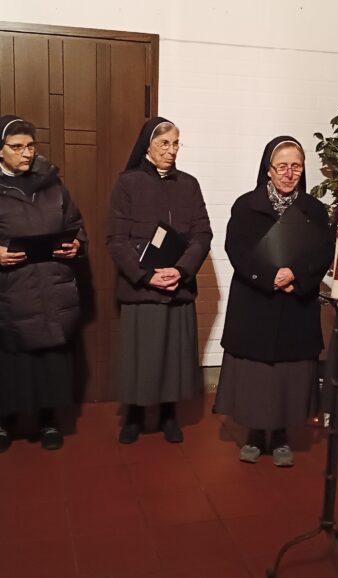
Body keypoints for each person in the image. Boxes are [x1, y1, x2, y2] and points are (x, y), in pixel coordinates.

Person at [0, 115, 86, 453]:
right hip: (9, 291)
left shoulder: (51, 183)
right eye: (17, 147)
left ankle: (49, 420)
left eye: (30, 146)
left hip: (51, 288)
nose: (27, 153)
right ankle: (5, 422)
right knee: (11, 365)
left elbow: (76, 224)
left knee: (50, 362)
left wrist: (77, 244)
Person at [214, 136, 333, 467]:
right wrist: (270, 277)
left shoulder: (314, 209)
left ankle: (281, 435)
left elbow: (324, 251)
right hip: (256, 302)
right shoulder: (245, 205)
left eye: (296, 166)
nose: (289, 173)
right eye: (282, 166)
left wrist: (296, 275)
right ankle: (254, 433)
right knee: (257, 375)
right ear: (268, 170)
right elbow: (236, 250)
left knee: (286, 375)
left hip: (296, 301)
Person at [107, 117, 212, 444]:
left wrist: (181, 270)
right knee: (142, 356)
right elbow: (116, 239)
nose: (172, 150)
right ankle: (135, 416)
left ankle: (169, 414)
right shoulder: (128, 183)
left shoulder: (189, 184)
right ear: (148, 146)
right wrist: (146, 276)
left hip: (178, 285)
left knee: (173, 357)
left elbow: (202, 234)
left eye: (176, 143)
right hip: (141, 288)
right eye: (164, 143)